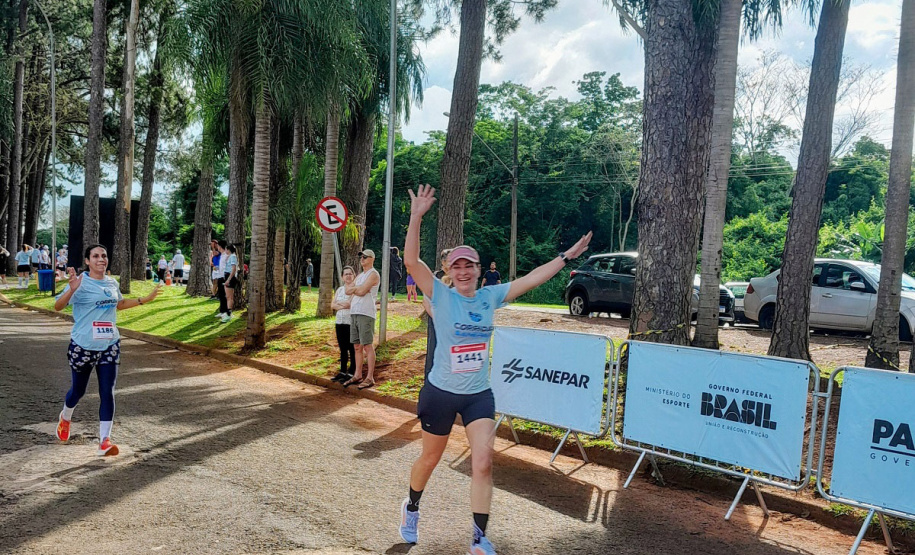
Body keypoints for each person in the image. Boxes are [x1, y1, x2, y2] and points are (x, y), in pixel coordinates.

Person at [399, 185, 591, 554]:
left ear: (476, 269)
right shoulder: (441, 294)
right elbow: (411, 263)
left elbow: (532, 278)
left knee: (484, 462)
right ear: (450, 273)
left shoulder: (489, 296)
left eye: (469, 264)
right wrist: (416, 216)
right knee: (430, 458)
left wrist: (566, 257)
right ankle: (411, 507)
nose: (464, 270)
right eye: (457, 265)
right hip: (439, 391)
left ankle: (478, 537)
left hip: (477, 394)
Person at [53, 243, 162, 456]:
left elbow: (118, 304)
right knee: (78, 391)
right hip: (83, 345)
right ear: (87, 261)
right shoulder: (80, 282)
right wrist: (71, 290)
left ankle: (105, 440)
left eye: (104, 255)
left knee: (107, 391)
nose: (101, 259)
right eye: (95, 256)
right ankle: (66, 417)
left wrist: (144, 300)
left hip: (109, 344)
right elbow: (58, 306)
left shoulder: (111, 282)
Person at [342, 249, 380, 389]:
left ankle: (369, 377)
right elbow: (347, 290)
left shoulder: (373, 274)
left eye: (365, 257)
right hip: (355, 312)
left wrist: (356, 289)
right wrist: (357, 288)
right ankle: (357, 374)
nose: (362, 259)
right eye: (361, 257)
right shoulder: (360, 276)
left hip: (366, 313)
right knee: (357, 346)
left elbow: (362, 291)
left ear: (372, 258)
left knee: (367, 345)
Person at [331, 266, 357, 383]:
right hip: (339, 322)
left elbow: (349, 304)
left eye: (350, 274)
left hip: (350, 322)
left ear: (354, 276)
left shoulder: (355, 290)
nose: (348, 276)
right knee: (342, 348)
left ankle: (351, 372)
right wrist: (342, 304)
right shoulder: (339, 290)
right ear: (342, 277)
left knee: (352, 348)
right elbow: (333, 305)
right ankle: (342, 371)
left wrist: (340, 304)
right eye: (346, 274)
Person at [221, 244, 239, 323]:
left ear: (228, 249)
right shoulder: (230, 256)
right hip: (227, 276)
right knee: (227, 296)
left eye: (226, 249)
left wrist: (228, 280)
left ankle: (229, 313)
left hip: (229, 277)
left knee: (229, 297)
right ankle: (228, 312)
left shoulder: (233, 257)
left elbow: (233, 269)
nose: (225, 251)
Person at [214, 240, 229, 318]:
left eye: (218, 246)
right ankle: (222, 310)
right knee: (221, 295)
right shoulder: (222, 255)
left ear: (220, 246)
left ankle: (226, 311)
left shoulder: (226, 255)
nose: (217, 247)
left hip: (224, 277)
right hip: (220, 276)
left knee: (225, 295)